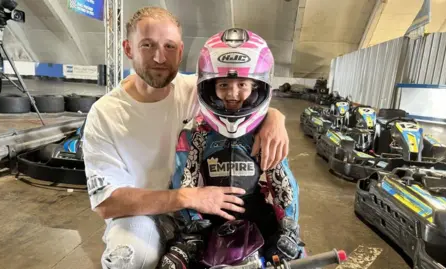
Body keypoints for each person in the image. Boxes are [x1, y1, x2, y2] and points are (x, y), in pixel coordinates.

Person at [82, 6, 291, 269]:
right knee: (128, 258)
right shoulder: (104, 114)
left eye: (169, 46)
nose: (159, 57)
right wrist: (186, 197)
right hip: (141, 216)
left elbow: (243, 93)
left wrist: (274, 117)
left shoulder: (197, 90)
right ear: (128, 48)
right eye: (147, 45)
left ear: (180, 51)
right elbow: (106, 203)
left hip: (199, 213)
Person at [157, 28, 304, 269]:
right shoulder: (194, 134)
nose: (232, 94)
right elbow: (184, 181)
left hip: (260, 223)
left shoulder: (266, 134)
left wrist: (289, 228)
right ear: (208, 86)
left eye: (242, 84)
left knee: (297, 258)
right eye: (223, 84)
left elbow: (283, 183)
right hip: (205, 225)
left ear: (258, 87)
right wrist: (193, 228)